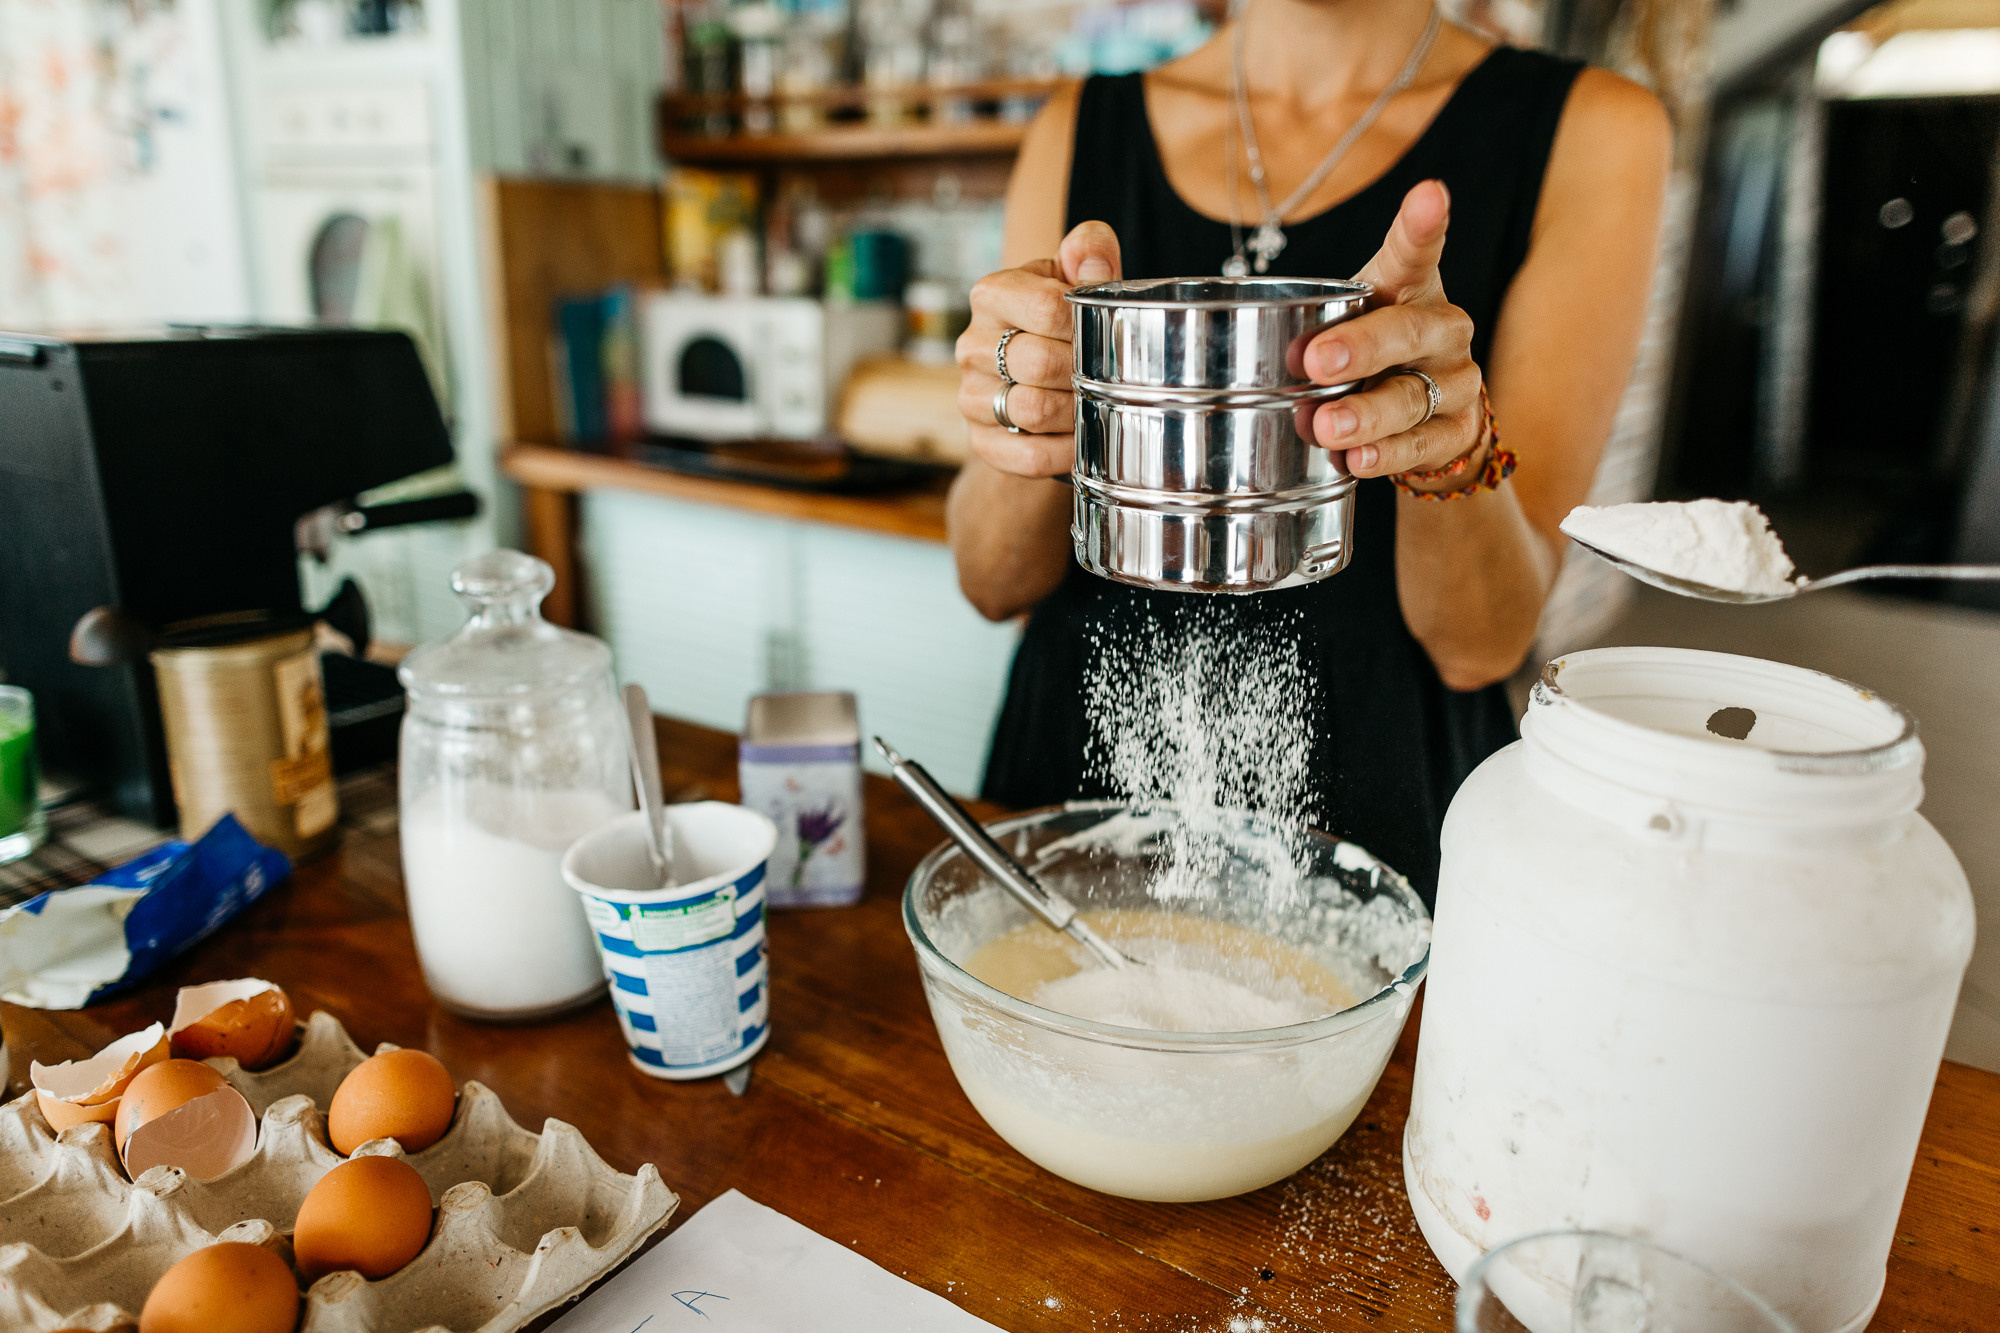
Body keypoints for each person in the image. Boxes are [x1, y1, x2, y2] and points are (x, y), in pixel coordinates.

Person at [947, 0, 1671, 901]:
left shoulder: (1594, 129)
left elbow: (1482, 645)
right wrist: (1033, 395)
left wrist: (1447, 444)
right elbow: (990, 579)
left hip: (1384, 800)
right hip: (1077, 774)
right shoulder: (1078, 125)